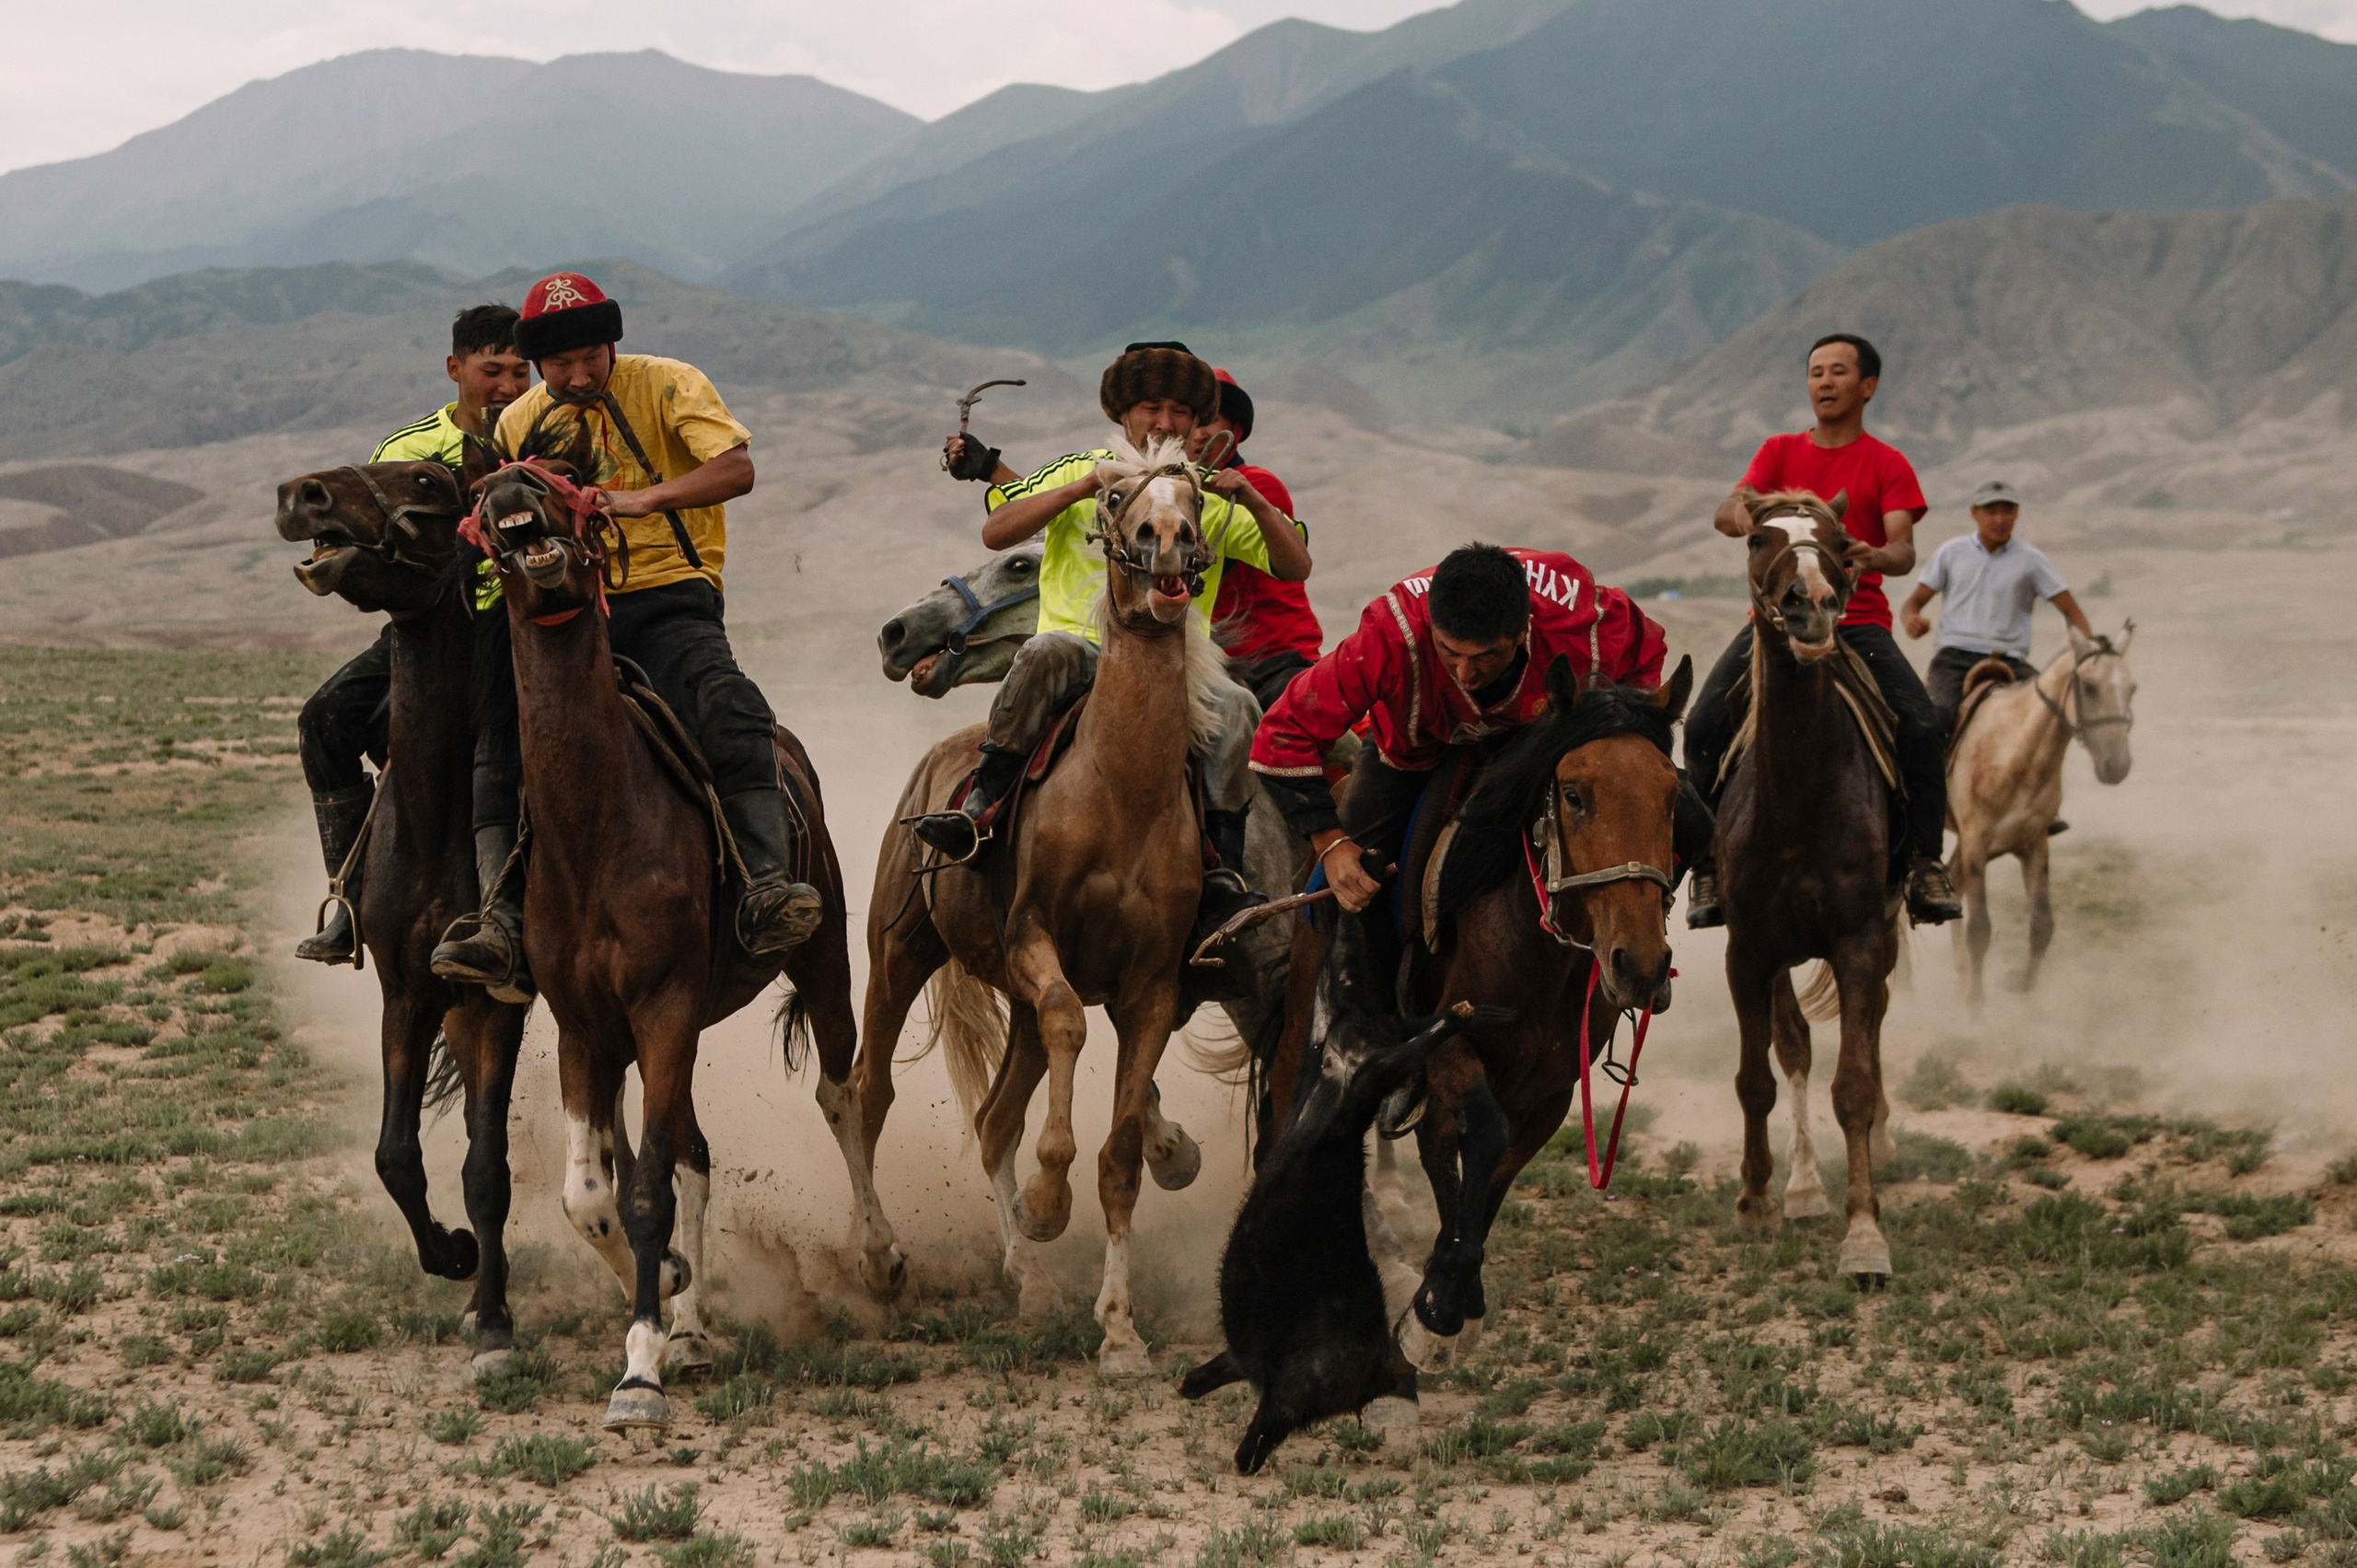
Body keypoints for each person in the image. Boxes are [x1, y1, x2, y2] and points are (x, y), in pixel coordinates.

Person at [428, 272, 822, 999]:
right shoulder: (517, 424)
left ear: (612, 344)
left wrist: (640, 499)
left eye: (591, 358)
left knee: (728, 703)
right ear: (538, 364)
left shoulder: (671, 384)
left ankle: (767, 885)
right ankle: (501, 923)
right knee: (497, 742)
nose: (577, 376)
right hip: (567, 613)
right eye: (560, 365)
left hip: (671, 596)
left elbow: (736, 468)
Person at [919, 341, 1313, 937]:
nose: (1165, 422)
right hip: (1081, 648)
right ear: (1123, 413)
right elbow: (996, 531)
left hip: (1178, 667)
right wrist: (1079, 490)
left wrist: (1251, 497)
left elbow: (1296, 566)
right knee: (1044, 651)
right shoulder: (1078, 469)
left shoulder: (1206, 493)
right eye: (1151, 406)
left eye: (1180, 411)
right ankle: (982, 803)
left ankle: (1223, 873)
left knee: (1239, 708)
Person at [1251, 542, 1700, 981]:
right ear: (1431, 626)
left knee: (1699, 826)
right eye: (1450, 652)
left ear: (1524, 631)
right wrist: (1331, 845)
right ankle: (1351, 1017)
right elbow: (1283, 731)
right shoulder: (1390, 633)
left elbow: (1646, 658)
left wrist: (1615, 741)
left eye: (1487, 656)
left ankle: (1631, 936)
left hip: (1537, 739)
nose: (1465, 674)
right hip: (1412, 752)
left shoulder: (1590, 622)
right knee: (1346, 891)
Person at [1681, 333, 1962, 929]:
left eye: (1838, 371)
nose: (1825, 382)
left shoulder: (1887, 463)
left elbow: (1903, 549)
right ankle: (1705, 863)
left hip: (1855, 624)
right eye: (1815, 372)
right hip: (1773, 627)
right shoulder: (1779, 450)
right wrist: (1755, 511)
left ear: (1868, 385)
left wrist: (1872, 553)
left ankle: (1924, 863)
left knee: (1919, 721)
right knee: (1705, 719)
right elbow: (1727, 511)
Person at [294, 304, 529, 965]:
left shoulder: (543, 434)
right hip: (425, 635)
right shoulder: (402, 453)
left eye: (520, 370)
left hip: (518, 629)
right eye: (493, 370)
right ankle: (350, 897)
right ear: (456, 369)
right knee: (325, 720)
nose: (509, 385)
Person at [1902, 480, 2094, 733]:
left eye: (2007, 511)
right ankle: (1927, 773)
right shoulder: (1951, 552)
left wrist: (2089, 656)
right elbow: (1912, 604)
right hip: (1954, 657)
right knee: (1935, 721)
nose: (2000, 519)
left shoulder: (2032, 561)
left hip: (2011, 658)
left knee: (2052, 717)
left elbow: (2071, 611)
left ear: (2017, 514)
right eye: (1991, 511)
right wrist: (1911, 620)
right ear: (1974, 513)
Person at [1193, 369, 1324, 713]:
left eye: (1207, 420)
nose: (1195, 433)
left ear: (1234, 431)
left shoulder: (1257, 486)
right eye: (1188, 419)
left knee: (1310, 736)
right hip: (1213, 658)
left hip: (1274, 657)